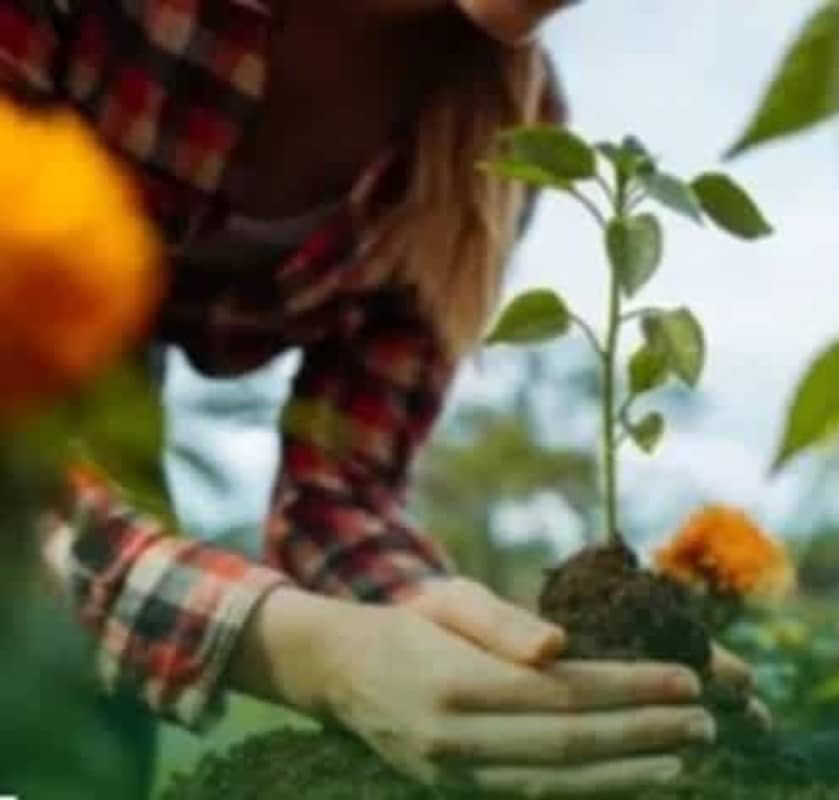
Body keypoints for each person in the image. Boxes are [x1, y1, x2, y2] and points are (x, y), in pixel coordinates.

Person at [2, 0, 754, 795]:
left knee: (85, 749)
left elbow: (340, 488)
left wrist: (489, 650)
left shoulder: (507, 133)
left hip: (99, 409)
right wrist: (309, 651)